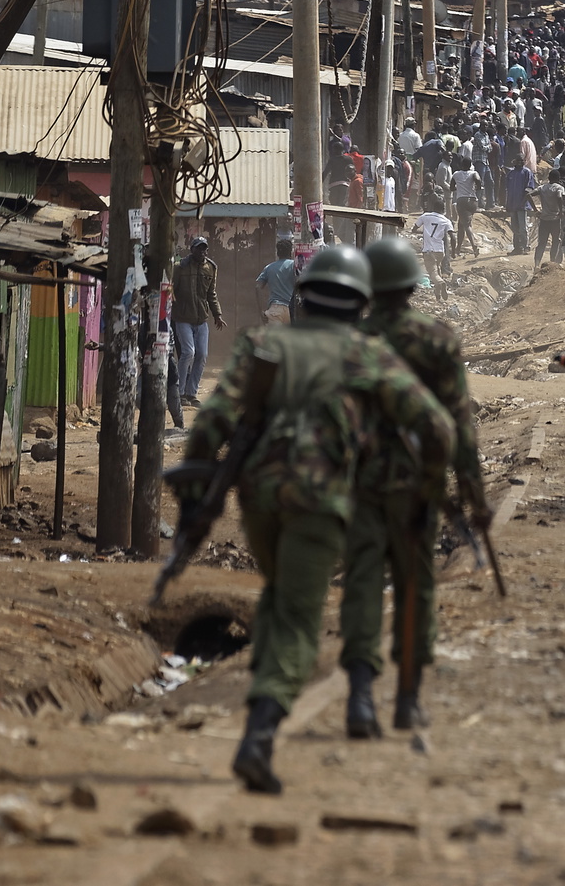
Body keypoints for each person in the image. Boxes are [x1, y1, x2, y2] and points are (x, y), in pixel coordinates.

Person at [186, 246, 456, 793]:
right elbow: (436, 427)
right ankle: (259, 734)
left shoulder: (263, 344)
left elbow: (212, 420)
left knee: (280, 594)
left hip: (258, 500)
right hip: (321, 502)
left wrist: (199, 497)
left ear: (304, 295)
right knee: (298, 616)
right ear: (358, 303)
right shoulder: (366, 355)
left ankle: (271, 702)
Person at [341, 238, 489, 738]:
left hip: (359, 484)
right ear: (411, 284)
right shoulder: (436, 340)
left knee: (361, 582)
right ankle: (407, 698)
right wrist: (474, 494)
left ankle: (360, 697)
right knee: (414, 585)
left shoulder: (351, 342)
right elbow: (459, 423)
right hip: (419, 486)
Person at [172, 236, 225, 406]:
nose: (202, 252)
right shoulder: (179, 268)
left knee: (202, 355)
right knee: (188, 352)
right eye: (198, 249)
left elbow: (211, 294)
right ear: (192, 250)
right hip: (182, 318)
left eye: (204, 249)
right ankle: (179, 392)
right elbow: (171, 290)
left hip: (202, 319)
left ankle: (191, 393)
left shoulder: (210, 268)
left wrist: (217, 314)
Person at [255, 238, 298, 325]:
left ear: (277, 252)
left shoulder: (269, 267)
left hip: (275, 310)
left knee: (273, 339)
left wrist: (261, 310)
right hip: (292, 309)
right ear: (290, 252)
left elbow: (258, 287)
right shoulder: (295, 266)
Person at [415, 205, 454, 296]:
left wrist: (425, 232)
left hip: (428, 250)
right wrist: (454, 251)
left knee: (432, 272)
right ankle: (438, 292)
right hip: (440, 251)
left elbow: (414, 228)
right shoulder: (446, 220)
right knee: (437, 268)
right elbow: (453, 237)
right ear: (443, 210)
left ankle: (440, 283)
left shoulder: (425, 216)